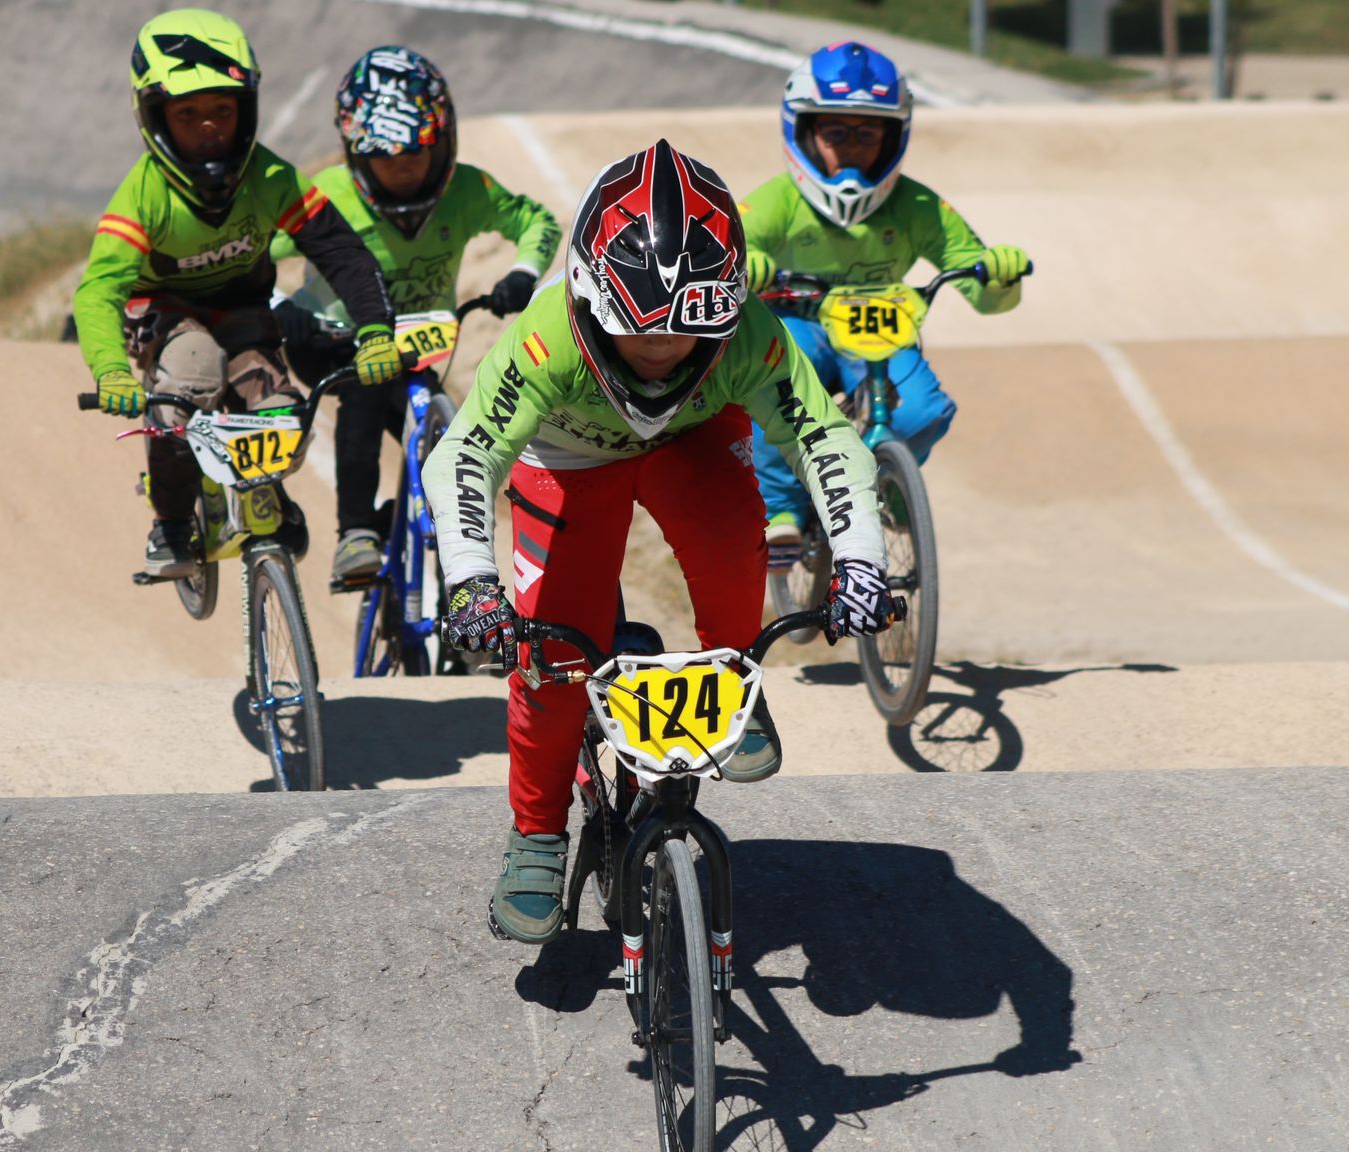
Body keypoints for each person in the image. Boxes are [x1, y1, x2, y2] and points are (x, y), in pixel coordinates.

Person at [423, 139, 895, 945]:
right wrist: (471, 580)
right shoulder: (547, 338)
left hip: (694, 439)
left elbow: (826, 439)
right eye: (635, 330)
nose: (657, 351)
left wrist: (860, 558)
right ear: (586, 296)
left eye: (683, 334)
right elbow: (464, 455)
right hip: (569, 457)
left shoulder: (749, 331)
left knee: (733, 537)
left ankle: (735, 674)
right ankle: (536, 833)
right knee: (551, 658)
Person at [73, 8, 399, 579]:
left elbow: (343, 254)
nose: (207, 127)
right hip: (164, 313)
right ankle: (170, 522)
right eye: (187, 113)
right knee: (190, 378)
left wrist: (375, 331)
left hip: (243, 310)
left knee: (280, 412)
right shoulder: (142, 197)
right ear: (153, 116)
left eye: (223, 110)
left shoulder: (272, 179)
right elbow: (97, 292)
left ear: (246, 110)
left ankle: (265, 495)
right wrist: (111, 372)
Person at [270, 46, 562, 584]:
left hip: (415, 345)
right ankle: (355, 533)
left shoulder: (467, 189)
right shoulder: (328, 194)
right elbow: (249, 253)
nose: (402, 171)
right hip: (328, 341)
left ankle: (424, 542)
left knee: (446, 436)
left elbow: (537, 222)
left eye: (415, 155)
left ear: (444, 142)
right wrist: (277, 309)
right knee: (365, 388)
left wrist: (523, 272)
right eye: (384, 158)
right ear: (355, 154)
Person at [738, 41, 1031, 564]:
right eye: (835, 133)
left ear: (894, 136)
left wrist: (998, 275)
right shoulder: (773, 202)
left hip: (878, 330)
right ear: (804, 133)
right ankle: (781, 507)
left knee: (924, 412)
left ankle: (885, 484)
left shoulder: (918, 206)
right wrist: (747, 262)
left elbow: (980, 288)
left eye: (868, 133)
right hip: (799, 326)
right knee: (777, 392)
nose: (851, 148)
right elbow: (728, 247)